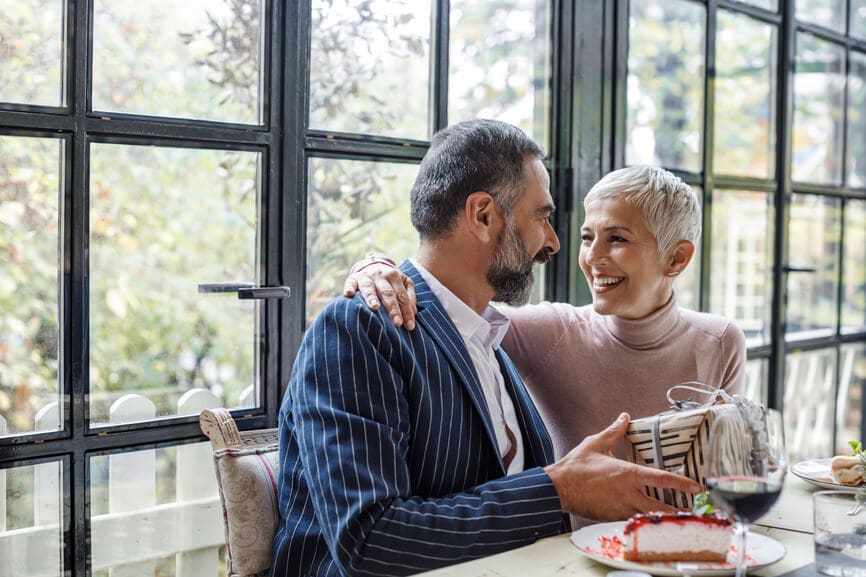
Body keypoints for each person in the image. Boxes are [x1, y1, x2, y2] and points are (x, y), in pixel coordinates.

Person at [273, 120, 701, 577]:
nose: (553, 242)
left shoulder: (487, 337)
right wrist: (559, 489)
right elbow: (371, 540)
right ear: (482, 215)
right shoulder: (360, 328)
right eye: (541, 216)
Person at [344, 164, 747, 461]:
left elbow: (727, 471)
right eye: (587, 237)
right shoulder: (551, 333)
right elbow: (446, 307)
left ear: (676, 258)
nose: (593, 257)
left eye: (617, 239)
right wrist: (377, 265)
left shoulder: (720, 341)